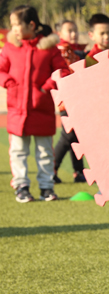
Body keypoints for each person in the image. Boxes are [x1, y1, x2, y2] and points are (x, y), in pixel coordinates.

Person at [0, 5, 69, 203]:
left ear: (31, 25)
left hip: (42, 109)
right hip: (16, 111)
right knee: (18, 151)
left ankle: (46, 187)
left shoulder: (49, 48)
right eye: (11, 25)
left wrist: (45, 88)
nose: (13, 29)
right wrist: (9, 83)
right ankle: (21, 186)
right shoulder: (10, 48)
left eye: (16, 24)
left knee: (45, 152)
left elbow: (61, 71)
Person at [53, 19, 87, 184]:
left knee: (77, 135)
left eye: (75, 30)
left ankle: (78, 171)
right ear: (59, 34)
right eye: (69, 31)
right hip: (66, 99)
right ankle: (52, 169)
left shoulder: (78, 50)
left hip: (79, 98)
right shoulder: (61, 50)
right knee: (68, 135)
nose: (74, 34)